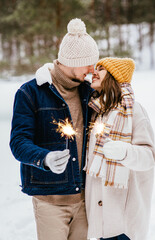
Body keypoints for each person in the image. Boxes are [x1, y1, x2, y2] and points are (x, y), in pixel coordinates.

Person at [9, 18, 99, 240]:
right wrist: (45, 159)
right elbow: (18, 142)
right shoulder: (30, 93)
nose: (92, 69)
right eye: (88, 63)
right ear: (72, 60)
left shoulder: (90, 93)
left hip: (86, 200)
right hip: (50, 202)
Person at [84, 57, 155, 240]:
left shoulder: (134, 111)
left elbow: (150, 156)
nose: (94, 71)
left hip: (124, 221)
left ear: (114, 77)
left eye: (101, 69)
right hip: (101, 220)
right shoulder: (97, 112)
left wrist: (125, 152)